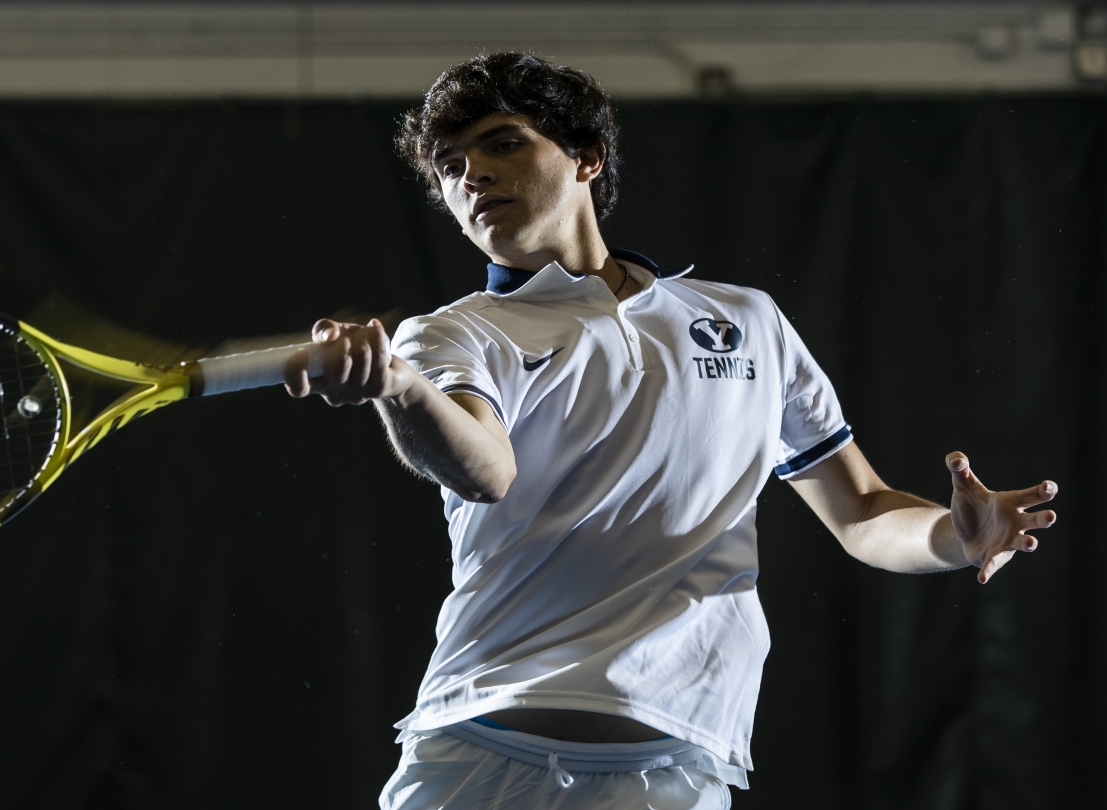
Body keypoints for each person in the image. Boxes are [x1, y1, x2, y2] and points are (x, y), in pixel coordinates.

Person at [284, 52, 1058, 809]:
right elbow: (484, 469)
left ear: (586, 158)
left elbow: (860, 513)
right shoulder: (449, 337)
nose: (472, 175)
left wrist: (954, 540)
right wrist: (399, 388)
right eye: (450, 166)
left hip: (674, 769)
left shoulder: (745, 320)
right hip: (481, 752)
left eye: (502, 143)